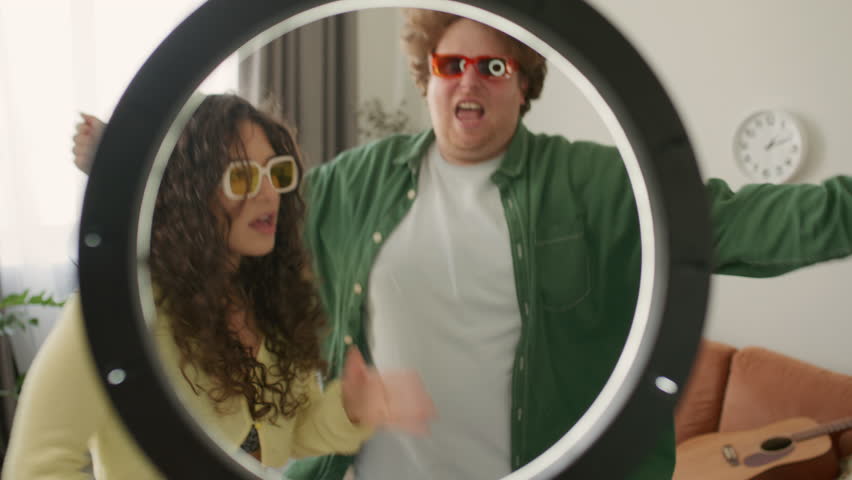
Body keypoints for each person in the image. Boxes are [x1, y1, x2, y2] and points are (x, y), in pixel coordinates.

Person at [71, 10, 852, 480]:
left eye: (494, 64)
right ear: (426, 75)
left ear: (524, 81)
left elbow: (755, 223)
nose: (469, 81)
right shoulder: (352, 182)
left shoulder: (602, 184)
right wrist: (143, 161)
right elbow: (236, 214)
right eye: (452, 64)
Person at [5, 94, 434, 480]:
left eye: (276, 173)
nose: (270, 194)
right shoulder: (117, 314)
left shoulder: (272, 301)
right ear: (186, 193)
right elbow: (35, 467)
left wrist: (349, 408)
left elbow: (291, 433)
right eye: (243, 178)